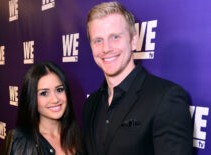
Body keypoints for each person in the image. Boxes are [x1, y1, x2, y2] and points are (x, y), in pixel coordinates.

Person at [83, 1, 193, 155]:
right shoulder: (90, 104)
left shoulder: (166, 98)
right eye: (98, 40)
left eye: (115, 37)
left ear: (134, 41)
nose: (106, 48)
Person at [1, 61, 85, 155]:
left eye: (59, 90)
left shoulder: (80, 137)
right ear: (32, 98)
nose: (55, 99)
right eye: (44, 93)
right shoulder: (18, 140)